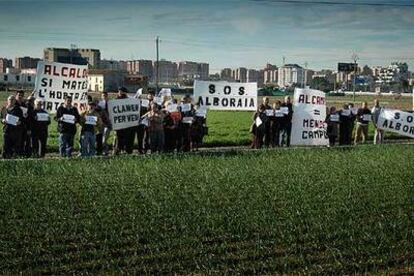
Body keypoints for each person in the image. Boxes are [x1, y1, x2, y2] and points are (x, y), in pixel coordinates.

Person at [113, 87, 135, 154]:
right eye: (119, 91)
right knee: (118, 137)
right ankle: (118, 150)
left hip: (127, 123)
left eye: (121, 91)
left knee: (127, 137)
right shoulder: (115, 100)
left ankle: (126, 150)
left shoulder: (129, 100)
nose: (119, 93)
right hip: (119, 123)